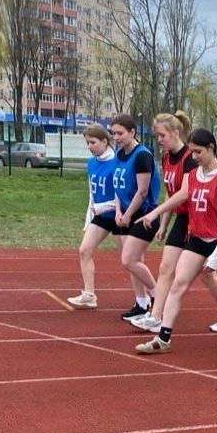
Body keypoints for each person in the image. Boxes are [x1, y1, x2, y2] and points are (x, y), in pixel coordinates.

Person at [130, 112, 217, 334]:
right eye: (157, 136)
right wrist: (164, 223)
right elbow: (170, 192)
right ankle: (157, 318)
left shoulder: (190, 159)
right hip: (183, 219)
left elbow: (184, 193)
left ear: (175, 132)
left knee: (212, 278)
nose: (159, 140)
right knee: (169, 270)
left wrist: (155, 213)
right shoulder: (167, 158)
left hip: (195, 219)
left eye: (162, 135)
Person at [109, 114, 161, 321]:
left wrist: (128, 214)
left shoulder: (142, 156)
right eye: (113, 133)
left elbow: (142, 191)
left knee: (129, 260)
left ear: (132, 132)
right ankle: (141, 302)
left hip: (143, 214)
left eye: (120, 133)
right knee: (134, 261)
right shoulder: (119, 154)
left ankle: (158, 296)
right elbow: (117, 186)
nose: (116, 137)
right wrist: (118, 211)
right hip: (124, 213)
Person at [68, 125, 122, 309]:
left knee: (130, 261)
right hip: (100, 216)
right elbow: (92, 195)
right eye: (88, 143)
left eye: (93, 142)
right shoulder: (91, 163)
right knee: (84, 250)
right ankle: (89, 295)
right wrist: (88, 218)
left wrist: (104, 207)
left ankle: (149, 295)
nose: (89, 146)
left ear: (105, 141)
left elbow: (124, 196)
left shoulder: (118, 163)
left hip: (119, 216)